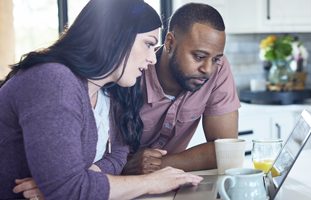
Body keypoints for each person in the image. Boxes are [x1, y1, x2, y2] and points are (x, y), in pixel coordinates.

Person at [0, 0, 202, 199]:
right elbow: (67, 190)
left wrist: (79, 181)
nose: (153, 58)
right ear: (113, 37)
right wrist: (150, 183)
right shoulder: (54, 81)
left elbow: (117, 157)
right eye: (148, 44)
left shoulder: (110, 90)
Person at [122, 2, 241, 175]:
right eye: (199, 56)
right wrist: (128, 167)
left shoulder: (218, 69)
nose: (208, 69)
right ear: (169, 42)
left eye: (215, 59)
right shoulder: (130, 73)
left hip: (170, 179)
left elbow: (226, 150)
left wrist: (157, 164)